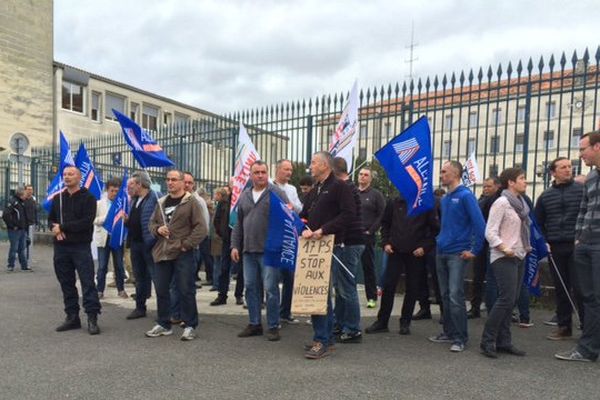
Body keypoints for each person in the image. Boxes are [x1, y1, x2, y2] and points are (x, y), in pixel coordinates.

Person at [300, 151, 356, 359]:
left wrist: (323, 230)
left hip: (330, 245)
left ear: (325, 165)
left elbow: (349, 214)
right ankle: (325, 338)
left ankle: (321, 340)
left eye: (313, 162)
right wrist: (302, 225)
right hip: (312, 248)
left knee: (321, 293)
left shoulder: (340, 187)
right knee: (317, 292)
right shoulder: (314, 191)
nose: (310, 166)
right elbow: (304, 216)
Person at [429, 160, 485, 353]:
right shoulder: (445, 199)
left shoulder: (466, 196)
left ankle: (460, 337)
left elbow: (480, 224)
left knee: (455, 295)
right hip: (442, 251)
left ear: (455, 174)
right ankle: (449, 332)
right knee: (445, 295)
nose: (441, 175)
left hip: (456, 253)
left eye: (444, 172)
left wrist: (474, 250)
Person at [145, 169, 207, 341]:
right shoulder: (162, 202)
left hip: (182, 253)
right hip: (162, 252)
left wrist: (186, 245)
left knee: (185, 289)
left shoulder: (191, 202)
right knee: (162, 289)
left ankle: (190, 325)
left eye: (174, 179)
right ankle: (163, 324)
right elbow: (151, 223)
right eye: (168, 179)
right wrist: (158, 229)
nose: (170, 182)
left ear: (181, 182)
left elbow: (201, 228)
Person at [365, 192, 439, 335]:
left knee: (412, 288)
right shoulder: (394, 202)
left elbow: (435, 230)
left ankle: (405, 322)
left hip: (415, 251)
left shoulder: (425, 204)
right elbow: (385, 223)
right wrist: (385, 242)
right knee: (388, 286)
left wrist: (425, 247)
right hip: (395, 249)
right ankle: (382, 321)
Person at [231, 160, 289, 341]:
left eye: (263, 172)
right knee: (250, 287)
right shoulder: (245, 195)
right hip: (248, 250)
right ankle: (254, 323)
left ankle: (273, 325)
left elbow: (288, 217)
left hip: (270, 251)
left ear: (267, 173)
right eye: (256, 172)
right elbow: (238, 224)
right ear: (250, 175)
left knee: (271, 288)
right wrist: (234, 245)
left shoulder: (276, 192)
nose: (260, 175)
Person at [556, 130, 600, 362]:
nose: (580, 154)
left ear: (597, 147)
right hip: (585, 244)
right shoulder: (591, 178)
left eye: (583, 149)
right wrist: (578, 238)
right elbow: (584, 209)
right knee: (589, 297)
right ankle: (588, 349)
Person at [480, 167, 531, 359]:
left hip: (519, 255)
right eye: (522, 178)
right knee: (506, 299)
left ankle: (504, 341)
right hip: (503, 256)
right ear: (511, 182)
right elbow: (490, 231)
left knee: (512, 301)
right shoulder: (501, 203)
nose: (525, 181)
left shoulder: (522, 203)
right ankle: (487, 340)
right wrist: (503, 247)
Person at [535, 158, 584, 340]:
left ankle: (587, 328)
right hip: (555, 247)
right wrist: (544, 240)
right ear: (553, 173)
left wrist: (582, 237)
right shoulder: (545, 196)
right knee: (561, 288)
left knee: (581, 288)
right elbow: (537, 222)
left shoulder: (581, 190)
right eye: (563, 167)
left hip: (577, 245)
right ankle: (564, 327)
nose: (568, 170)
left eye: (570, 167)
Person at [49, 166, 101, 335]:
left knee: (87, 282)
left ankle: (92, 317)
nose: (67, 177)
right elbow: (51, 220)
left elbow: (86, 222)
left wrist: (62, 227)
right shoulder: (58, 198)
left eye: (71, 174)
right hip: (61, 248)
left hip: (80, 247)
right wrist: (55, 229)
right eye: (65, 174)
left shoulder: (88, 198)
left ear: (79, 177)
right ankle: (72, 317)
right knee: (66, 283)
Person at [332, 157, 365, 343]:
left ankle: (352, 328)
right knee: (341, 285)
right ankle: (340, 323)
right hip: (348, 242)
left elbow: (346, 216)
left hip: (349, 242)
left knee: (346, 287)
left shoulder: (345, 189)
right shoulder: (349, 187)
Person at [124, 171, 158, 320]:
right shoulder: (134, 200)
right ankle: (140, 307)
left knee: (157, 277)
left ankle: (166, 310)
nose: (130, 187)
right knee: (139, 277)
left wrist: (152, 239)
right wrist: (127, 220)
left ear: (140, 184)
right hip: (136, 243)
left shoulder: (154, 197)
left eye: (132, 184)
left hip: (149, 244)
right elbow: (136, 220)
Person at [273, 159, 302, 324]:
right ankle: (274, 313)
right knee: (274, 279)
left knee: (290, 277)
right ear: (278, 170)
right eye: (286, 169)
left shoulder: (292, 189)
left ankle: (286, 312)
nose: (289, 172)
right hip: (274, 237)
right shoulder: (269, 186)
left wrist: (290, 205)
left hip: (290, 238)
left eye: (291, 170)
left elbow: (299, 207)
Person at [468, 177, 501, 319]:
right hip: (481, 241)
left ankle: (492, 308)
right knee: (478, 276)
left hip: (493, 242)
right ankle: (476, 306)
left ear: (497, 186)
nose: (485, 189)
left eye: (489, 186)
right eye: (484, 186)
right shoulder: (482, 200)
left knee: (493, 278)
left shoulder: (497, 201)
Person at [94, 178, 128, 299]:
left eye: (116, 191)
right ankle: (99, 290)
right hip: (103, 238)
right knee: (102, 266)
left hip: (116, 238)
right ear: (107, 190)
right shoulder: (99, 204)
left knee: (119, 265)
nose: (114, 193)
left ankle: (121, 289)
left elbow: (127, 221)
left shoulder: (122, 204)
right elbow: (94, 220)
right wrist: (107, 218)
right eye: (112, 191)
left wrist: (124, 218)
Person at [357, 167, 386, 308]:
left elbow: (382, 215)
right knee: (348, 267)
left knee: (368, 267)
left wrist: (371, 230)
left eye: (366, 175)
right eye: (361, 174)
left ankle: (372, 297)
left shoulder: (376, 195)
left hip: (367, 237)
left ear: (370, 179)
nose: (362, 177)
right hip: (351, 235)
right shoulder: (352, 193)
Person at [211, 187, 234, 306]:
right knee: (224, 268)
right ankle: (222, 295)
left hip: (242, 240)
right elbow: (217, 220)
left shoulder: (244, 199)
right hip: (227, 239)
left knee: (243, 270)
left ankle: (240, 295)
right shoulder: (224, 202)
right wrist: (222, 233)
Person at [3, 188, 31, 272]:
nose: (26, 195)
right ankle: (10, 266)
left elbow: (24, 216)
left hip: (22, 229)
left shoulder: (22, 202)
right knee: (14, 248)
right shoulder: (13, 202)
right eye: (25, 194)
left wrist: (25, 226)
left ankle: (24, 266)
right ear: (21, 195)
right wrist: (12, 225)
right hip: (14, 230)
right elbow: (5, 215)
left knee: (22, 248)